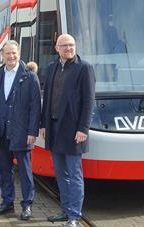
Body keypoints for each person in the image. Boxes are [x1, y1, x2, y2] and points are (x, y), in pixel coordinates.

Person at [40, 34, 96, 227]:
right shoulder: (51, 68)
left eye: (71, 45)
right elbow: (47, 99)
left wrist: (83, 129)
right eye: (64, 45)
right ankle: (65, 211)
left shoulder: (84, 68)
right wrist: (43, 124)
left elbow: (89, 101)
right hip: (54, 128)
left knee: (74, 174)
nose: (68, 48)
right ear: (56, 48)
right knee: (60, 173)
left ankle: (74, 216)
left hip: (74, 131)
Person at [0, 40, 41, 221]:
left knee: (24, 171)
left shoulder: (29, 76)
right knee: (4, 170)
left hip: (22, 132)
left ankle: (27, 206)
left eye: (14, 53)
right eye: (8, 53)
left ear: (19, 54)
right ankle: (7, 203)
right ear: (2, 55)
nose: (11, 56)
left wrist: (33, 132)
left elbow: (35, 107)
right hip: (1, 131)